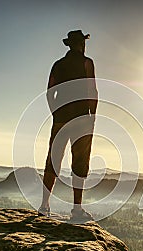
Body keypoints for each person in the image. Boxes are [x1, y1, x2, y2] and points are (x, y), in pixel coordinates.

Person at [38, 30, 98, 222]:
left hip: (61, 119)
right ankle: (77, 209)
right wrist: (93, 116)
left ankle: (44, 205)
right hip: (81, 119)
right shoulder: (87, 63)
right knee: (80, 164)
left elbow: (49, 92)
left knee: (52, 161)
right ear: (82, 44)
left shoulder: (58, 65)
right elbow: (92, 90)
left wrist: (56, 113)